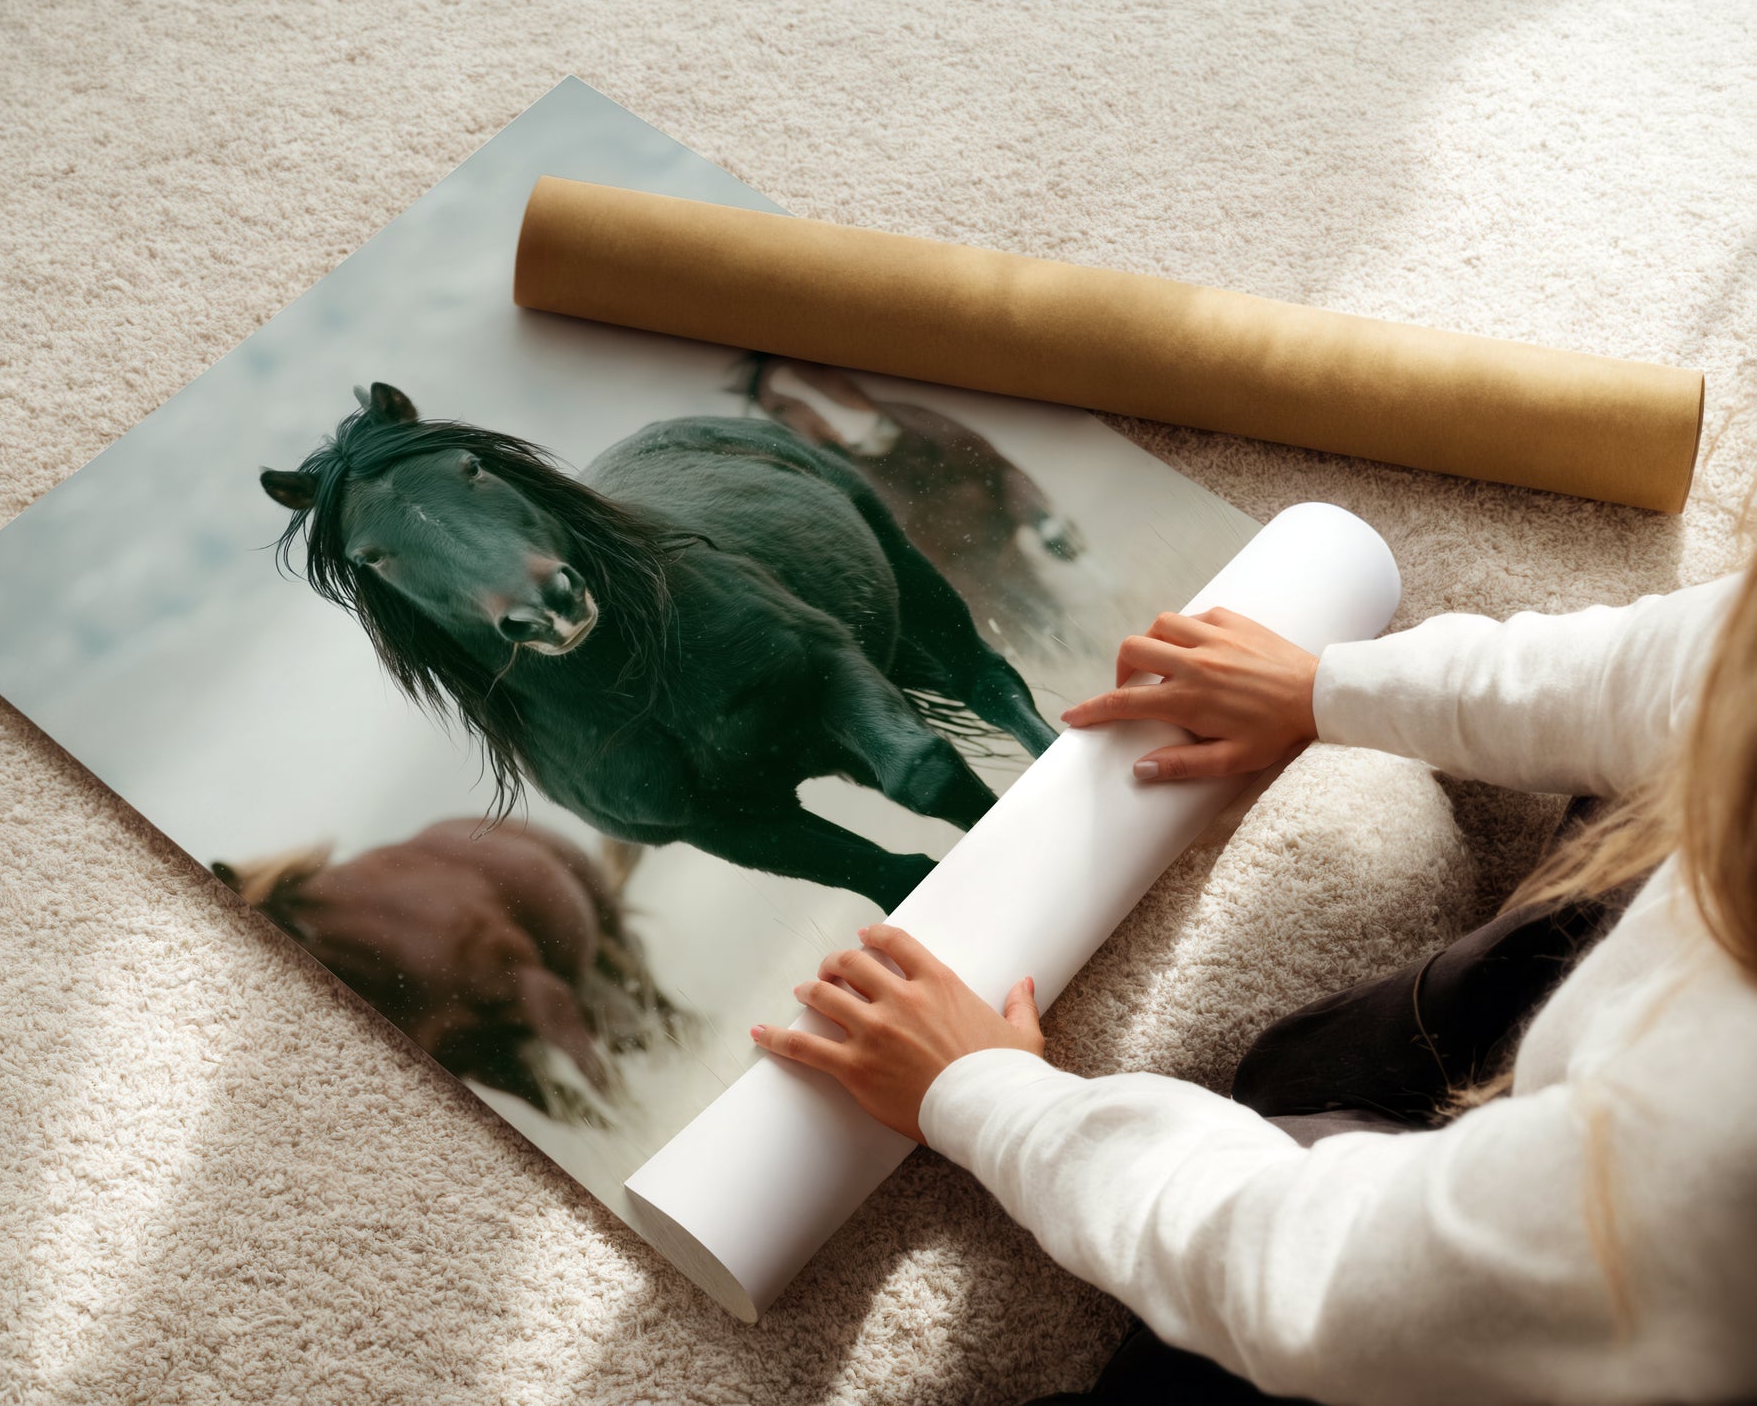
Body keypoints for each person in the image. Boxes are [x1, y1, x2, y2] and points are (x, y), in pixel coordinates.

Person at [750, 566, 1757, 1404]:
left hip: (1627, 1310)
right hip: (1626, 1112)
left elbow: (1320, 1277)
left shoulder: (1706, 1157)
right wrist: (1326, 686)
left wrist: (988, 1097)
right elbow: (1684, 665)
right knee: (1309, 1068)